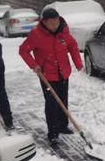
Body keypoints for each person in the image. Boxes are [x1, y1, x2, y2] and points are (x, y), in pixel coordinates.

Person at [19, 8, 83, 144]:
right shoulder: (36, 34)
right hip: (46, 75)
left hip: (63, 72)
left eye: (56, 21)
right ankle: (53, 132)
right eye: (51, 23)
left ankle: (63, 126)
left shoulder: (64, 32)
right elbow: (23, 51)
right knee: (51, 104)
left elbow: (73, 46)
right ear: (44, 22)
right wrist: (34, 65)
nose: (54, 25)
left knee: (63, 100)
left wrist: (78, 63)